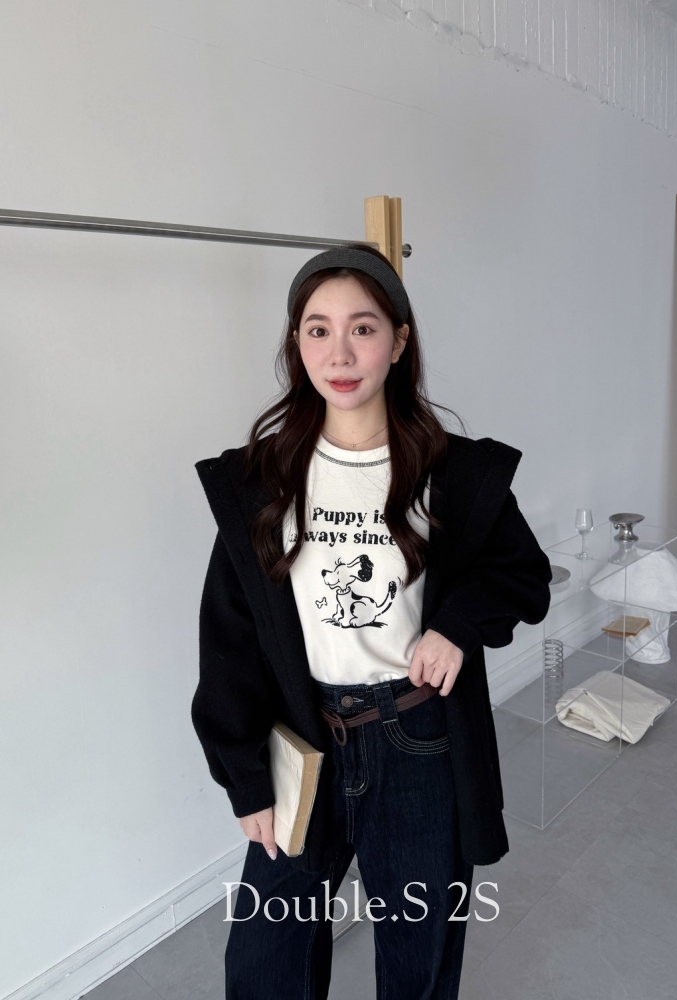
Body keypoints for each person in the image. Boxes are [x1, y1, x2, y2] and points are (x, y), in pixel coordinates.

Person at [191, 243, 552, 1000]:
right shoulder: (261, 480)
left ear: (399, 339)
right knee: (263, 966)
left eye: (363, 328)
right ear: (297, 344)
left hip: (417, 742)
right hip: (304, 740)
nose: (341, 353)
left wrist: (456, 624)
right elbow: (230, 636)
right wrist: (245, 779)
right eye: (318, 330)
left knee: (418, 966)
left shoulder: (455, 473)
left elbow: (522, 573)